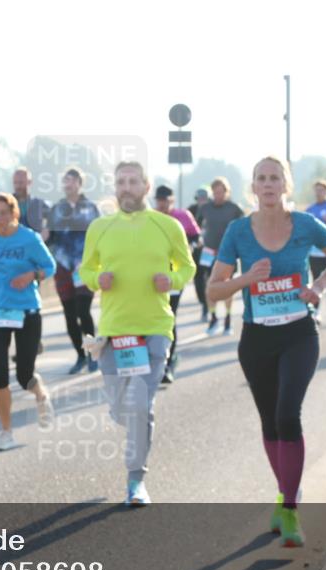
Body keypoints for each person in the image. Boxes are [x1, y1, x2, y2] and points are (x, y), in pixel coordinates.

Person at [207, 155, 326, 547]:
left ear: (286, 185)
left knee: (289, 414)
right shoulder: (238, 231)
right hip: (257, 338)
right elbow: (213, 289)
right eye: (261, 179)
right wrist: (245, 278)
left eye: (275, 178)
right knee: (270, 422)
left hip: (299, 333)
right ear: (253, 187)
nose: (268, 184)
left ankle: (289, 508)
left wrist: (317, 287)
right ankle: (285, 495)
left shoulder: (304, 224)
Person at [79, 161, 196, 506]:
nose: (126, 188)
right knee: (120, 408)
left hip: (155, 327)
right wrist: (95, 280)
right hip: (115, 331)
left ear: (146, 186)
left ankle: (136, 482)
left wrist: (171, 280)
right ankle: (128, 424)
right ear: (115, 188)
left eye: (133, 182)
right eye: (121, 182)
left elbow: (187, 265)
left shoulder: (167, 225)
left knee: (141, 404)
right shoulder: (100, 227)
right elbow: (86, 268)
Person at [0, 193, 56, 451]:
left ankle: (40, 393)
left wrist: (31, 274)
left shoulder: (29, 239)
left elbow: (50, 266)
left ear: (13, 214)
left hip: (26, 311)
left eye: (3, 213)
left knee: (23, 376)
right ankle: (6, 432)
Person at [47, 169, 101, 374]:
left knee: (83, 311)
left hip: (84, 266)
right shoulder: (56, 209)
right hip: (62, 266)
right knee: (69, 315)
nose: (67, 184)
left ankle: (92, 353)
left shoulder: (91, 208)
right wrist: (46, 236)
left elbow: (100, 236)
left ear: (79, 183)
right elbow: (50, 237)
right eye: (64, 181)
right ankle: (80, 357)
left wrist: (95, 260)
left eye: (70, 180)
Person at [153, 184, 201, 383]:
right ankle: (155, 361)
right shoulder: (151, 218)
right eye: (160, 201)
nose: (163, 205)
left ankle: (168, 363)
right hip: (153, 277)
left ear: (172, 200)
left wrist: (188, 246)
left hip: (174, 276)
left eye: (166, 201)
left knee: (169, 318)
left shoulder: (182, 216)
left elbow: (198, 238)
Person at [196, 177, 244, 335]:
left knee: (227, 286)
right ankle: (213, 318)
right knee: (209, 285)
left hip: (228, 253)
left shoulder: (234, 208)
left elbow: (244, 227)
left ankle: (228, 320)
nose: (218, 195)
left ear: (226, 192)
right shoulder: (205, 208)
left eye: (220, 192)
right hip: (209, 252)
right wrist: (200, 239)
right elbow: (197, 226)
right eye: (215, 192)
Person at [305, 180, 326, 320]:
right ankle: (317, 312)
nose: (319, 193)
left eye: (321, 190)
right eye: (317, 190)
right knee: (316, 279)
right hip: (313, 250)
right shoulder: (310, 210)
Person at [188, 187, 210, 320]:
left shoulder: (212, 209)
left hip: (210, 249)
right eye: (199, 198)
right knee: (198, 278)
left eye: (204, 198)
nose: (202, 201)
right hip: (196, 249)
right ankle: (203, 302)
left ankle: (207, 306)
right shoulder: (191, 210)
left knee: (207, 276)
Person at [12, 167, 50, 235]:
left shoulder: (39, 204)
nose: (18, 186)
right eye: (15, 182)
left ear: (29, 182)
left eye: (21, 182)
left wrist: (46, 231)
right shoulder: (7, 203)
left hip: (33, 243)